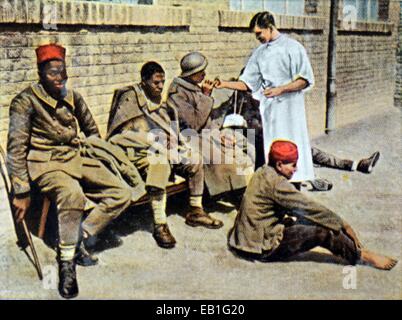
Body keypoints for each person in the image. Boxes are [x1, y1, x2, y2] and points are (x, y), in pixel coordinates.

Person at [7, 44, 132, 299]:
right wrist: (20, 189)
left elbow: (92, 130)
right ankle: (66, 264)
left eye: (63, 72)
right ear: (40, 73)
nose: (59, 78)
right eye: (53, 73)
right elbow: (16, 150)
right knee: (72, 194)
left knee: (122, 192)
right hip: (46, 163)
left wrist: (101, 154)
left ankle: (78, 238)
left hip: (75, 156)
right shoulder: (25, 101)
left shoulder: (72, 96)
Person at [228, 140, 397, 270]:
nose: (295, 169)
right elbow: (312, 208)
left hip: (242, 241)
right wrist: (343, 224)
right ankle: (362, 255)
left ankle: (341, 247)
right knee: (324, 230)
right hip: (260, 248)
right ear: (279, 164)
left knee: (305, 220)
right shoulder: (278, 184)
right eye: (292, 165)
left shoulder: (263, 171)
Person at [106, 61, 223, 249]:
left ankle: (195, 210)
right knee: (159, 164)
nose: (161, 87)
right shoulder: (130, 100)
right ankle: (160, 224)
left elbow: (170, 129)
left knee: (194, 159)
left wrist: (178, 144)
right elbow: (119, 138)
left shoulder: (159, 103)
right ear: (143, 82)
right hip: (137, 154)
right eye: (156, 83)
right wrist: (154, 140)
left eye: (162, 82)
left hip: (164, 150)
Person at [214, 11, 315, 184]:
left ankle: (294, 189)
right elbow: (248, 83)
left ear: (269, 27)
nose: (257, 37)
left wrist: (281, 89)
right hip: (271, 111)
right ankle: (275, 190)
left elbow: (305, 80)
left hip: (291, 109)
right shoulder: (259, 53)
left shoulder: (293, 47)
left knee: (292, 147)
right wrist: (224, 84)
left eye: (259, 33)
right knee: (274, 149)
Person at [167, 52, 255, 199]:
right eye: (201, 72)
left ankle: (245, 191)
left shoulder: (192, 86)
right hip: (189, 138)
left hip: (207, 134)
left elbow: (207, 119)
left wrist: (220, 134)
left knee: (245, 147)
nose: (204, 74)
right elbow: (194, 124)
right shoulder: (177, 94)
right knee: (226, 159)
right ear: (192, 74)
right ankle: (237, 194)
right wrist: (206, 96)